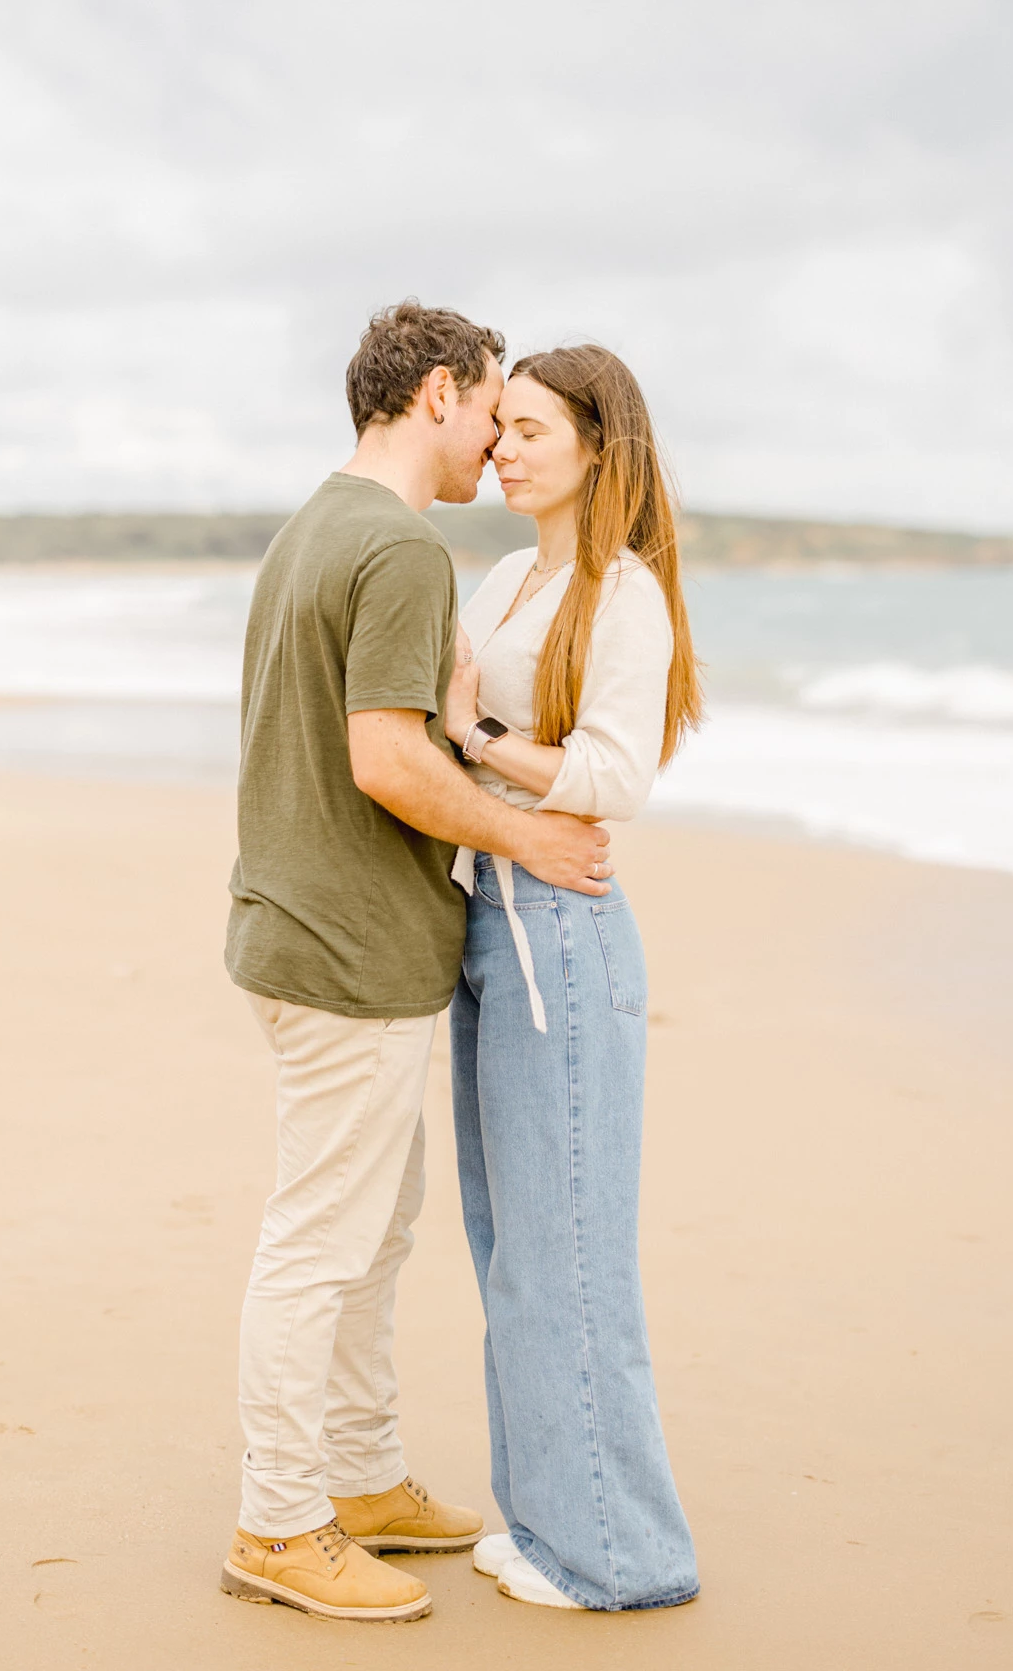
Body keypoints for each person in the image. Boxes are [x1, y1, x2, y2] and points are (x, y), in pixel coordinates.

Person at [220, 302, 613, 1624]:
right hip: (345, 951)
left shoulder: (316, 525)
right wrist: (530, 839)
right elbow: (383, 760)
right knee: (323, 1244)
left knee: (370, 1237)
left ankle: (364, 1474)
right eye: (490, 408)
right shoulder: (393, 547)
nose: (496, 439)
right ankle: (280, 1521)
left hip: (311, 932)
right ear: (436, 392)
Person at [443, 343, 703, 1612]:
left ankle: (622, 1553)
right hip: (481, 919)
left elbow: (615, 777)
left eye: (532, 427)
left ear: (599, 443)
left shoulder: (624, 589)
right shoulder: (502, 576)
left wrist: (476, 737)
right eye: (501, 427)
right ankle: (545, 1518)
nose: (505, 445)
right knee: (510, 1245)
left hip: (558, 922)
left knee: (572, 1251)